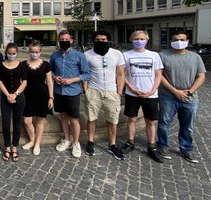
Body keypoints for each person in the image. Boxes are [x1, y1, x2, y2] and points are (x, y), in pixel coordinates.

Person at [157, 30, 206, 164]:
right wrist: (175, 91)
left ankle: (186, 148)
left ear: (187, 41)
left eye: (182, 39)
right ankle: (163, 146)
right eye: (175, 39)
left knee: (188, 125)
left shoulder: (195, 57)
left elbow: (201, 76)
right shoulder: (162, 55)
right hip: (168, 96)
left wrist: (190, 91)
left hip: (190, 98)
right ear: (171, 41)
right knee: (164, 122)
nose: (179, 42)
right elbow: (159, 76)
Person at [121, 30, 164, 163]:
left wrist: (152, 90)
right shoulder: (125, 55)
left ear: (147, 40)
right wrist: (131, 88)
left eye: (141, 39)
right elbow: (122, 74)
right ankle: (130, 142)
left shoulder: (154, 55)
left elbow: (158, 75)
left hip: (150, 94)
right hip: (132, 93)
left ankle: (151, 146)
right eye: (136, 38)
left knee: (150, 121)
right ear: (131, 39)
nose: (139, 41)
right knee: (132, 119)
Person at [84, 31, 125, 160]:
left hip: (112, 91)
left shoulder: (117, 54)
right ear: (94, 41)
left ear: (108, 40)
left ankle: (112, 144)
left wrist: (119, 91)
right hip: (94, 90)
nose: (101, 41)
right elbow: (85, 74)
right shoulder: (87, 55)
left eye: (103, 39)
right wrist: (86, 90)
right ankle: (90, 142)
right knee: (91, 118)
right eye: (98, 39)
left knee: (112, 120)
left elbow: (121, 74)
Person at [50, 30, 90, 158]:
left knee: (74, 119)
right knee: (63, 116)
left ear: (71, 40)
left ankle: (76, 142)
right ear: (58, 40)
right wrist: (55, 77)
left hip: (73, 91)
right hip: (58, 91)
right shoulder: (54, 55)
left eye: (66, 39)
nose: (64, 41)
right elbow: (49, 71)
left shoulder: (79, 56)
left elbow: (86, 74)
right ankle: (67, 139)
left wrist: (72, 80)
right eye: (62, 39)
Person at [22, 40, 53, 156]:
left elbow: (50, 81)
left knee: (39, 120)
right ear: (29, 51)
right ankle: (32, 140)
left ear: (40, 52)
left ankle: (37, 143)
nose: (34, 54)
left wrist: (51, 97)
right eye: (32, 51)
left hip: (42, 94)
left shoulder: (46, 65)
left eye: (36, 52)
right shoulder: (24, 64)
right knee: (27, 120)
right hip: (27, 94)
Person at [0, 42, 27, 162]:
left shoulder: (21, 65)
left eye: (14, 53)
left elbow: (24, 81)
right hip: (5, 97)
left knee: (17, 123)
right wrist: (8, 95)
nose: (11, 55)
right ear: (6, 53)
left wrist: (15, 94)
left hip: (19, 97)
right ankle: (7, 147)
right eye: (9, 53)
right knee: (5, 124)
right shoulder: (1, 65)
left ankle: (15, 147)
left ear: (17, 53)